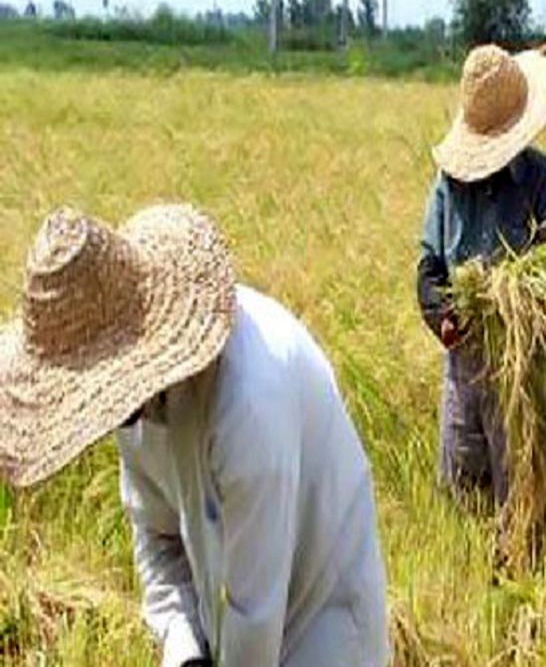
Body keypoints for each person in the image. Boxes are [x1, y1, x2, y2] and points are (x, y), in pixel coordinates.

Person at [0, 204, 389, 666]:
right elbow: (157, 536)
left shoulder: (248, 400)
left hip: (325, 624)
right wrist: (185, 651)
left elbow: (255, 611)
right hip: (235, 624)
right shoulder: (132, 405)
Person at [417, 43, 546, 509]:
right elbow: (428, 265)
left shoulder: (543, 181)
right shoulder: (448, 184)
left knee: (522, 502)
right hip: (463, 365)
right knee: (465, 497)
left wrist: (512, 302)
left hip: (522, 368)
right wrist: (441, 313)